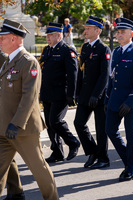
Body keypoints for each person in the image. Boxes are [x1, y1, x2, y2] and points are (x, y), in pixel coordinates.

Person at [0, 18, 59, 199]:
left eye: (2, 38)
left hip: (23, 129)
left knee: (39, 168)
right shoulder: (6, 61)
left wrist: (16, 124)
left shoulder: (28, 62)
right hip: (4, 128)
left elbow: (29, 97)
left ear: (14, 39)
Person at [105, 17, 133, 182]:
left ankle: (130, 169)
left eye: (123, 32)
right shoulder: (116, 52)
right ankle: (130, 161)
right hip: (115, 100)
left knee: (131, 135)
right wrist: (107, 99)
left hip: (130, 101)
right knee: (110, 130)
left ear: (131, 34)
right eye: (118, 32)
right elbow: (112, 78)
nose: (119, 34)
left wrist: (131, 101)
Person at [39, 22, 80, 163]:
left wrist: (72, 95)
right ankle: (57, 151)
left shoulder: (66, 50)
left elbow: (73, 74)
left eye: (50, 35)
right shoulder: (47, 50)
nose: (47, 38)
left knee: (55, 121)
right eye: (47, 35)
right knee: (50, 124)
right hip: (47, 93)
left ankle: (73, 142)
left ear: (59, 35)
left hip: (61, 93)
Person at [74, 16, 111, 169]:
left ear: (97, 31)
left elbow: (105, 75)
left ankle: (103, 158)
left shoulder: (104, 49)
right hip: (85, 94)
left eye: (88, 28)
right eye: (86, 28)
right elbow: (80, 73)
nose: (85, 30)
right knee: (78, 123)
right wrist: (77, 92)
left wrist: (97, 94)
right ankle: (92, 151)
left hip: (99, 96)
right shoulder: (85, 48)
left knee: (101, 129)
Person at [0, 52, 25, 200]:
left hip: (4, 110)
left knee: (4, 152)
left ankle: (16, 191)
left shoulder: (4, 58)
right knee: (5, 154)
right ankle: (16, 191)